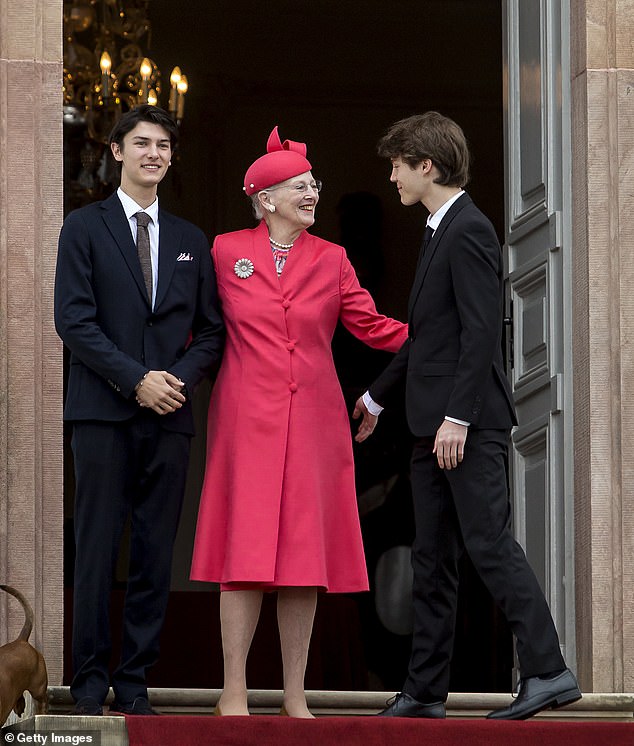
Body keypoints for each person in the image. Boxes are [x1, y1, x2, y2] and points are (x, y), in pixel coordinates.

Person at [353, 112, 581, 720]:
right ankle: (425, 689)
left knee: (488, 546)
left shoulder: (470, 230)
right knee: (432, 557)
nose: (392, 176)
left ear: (426, 165)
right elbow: (429, 338)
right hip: (430, 427)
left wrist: (458, 417)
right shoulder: (436, 230)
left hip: (463, 428)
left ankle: (548, 670)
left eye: (398, 164)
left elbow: (483, 332)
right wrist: (378, 395)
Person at [190, 126, 408, 718]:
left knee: (302, 558)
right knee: (245, 551)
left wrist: (438, 339)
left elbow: (372, 326)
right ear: (266, 198)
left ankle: (294, 695)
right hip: (244, 416)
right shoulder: (223, 250)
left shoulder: (333, 259)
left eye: (313, 184)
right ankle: (233, 691)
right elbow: (196, 328)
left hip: (315, 419)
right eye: (300, 186)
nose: (312, 193)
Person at [54, 105, 224, 716]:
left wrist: (171, 382)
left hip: (169, 416)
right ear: (118, 151)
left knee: (155, 552)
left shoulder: (189, 239)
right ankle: (91, 683)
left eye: (164, 145)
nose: (155, 153)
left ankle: (134, 681)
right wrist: (136, 381)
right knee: (97, 547)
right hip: (103, 412)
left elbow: (211, 332)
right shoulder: (83, 227)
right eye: (143, 143)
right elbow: (72, 320)